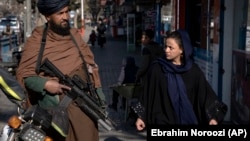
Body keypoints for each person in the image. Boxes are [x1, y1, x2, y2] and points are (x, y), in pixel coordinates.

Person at [16, 0, 106, 140]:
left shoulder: (74, 36)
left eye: (67, 12)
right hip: (55, 115)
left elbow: (91, 68)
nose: (66, 17)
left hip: (84, 109)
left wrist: (101, 99)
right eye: (60, 13)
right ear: (48, 16)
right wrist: (45, 84)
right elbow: (25, 76)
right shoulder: (37, 40)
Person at [133, 29, 228, 131]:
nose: (166, 50)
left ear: (182, 50)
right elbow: (147, 94)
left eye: (171, 48)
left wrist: (213, 117)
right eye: (166, 46)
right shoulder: (157, 68)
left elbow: (205, 95)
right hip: (162, 120)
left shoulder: (193, 71)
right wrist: (141, 117)